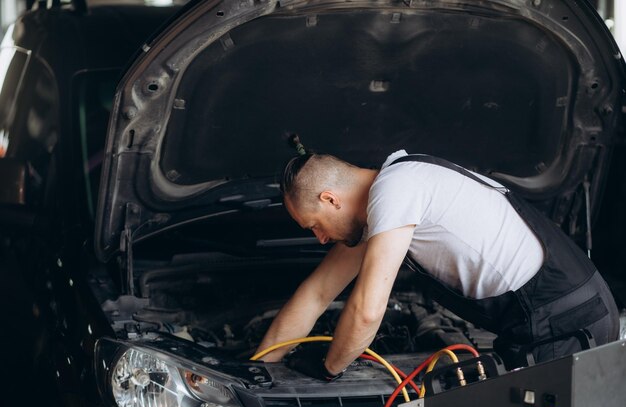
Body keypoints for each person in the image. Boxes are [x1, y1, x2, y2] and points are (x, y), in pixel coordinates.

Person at [254, 149, 619, 380]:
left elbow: (367, 311)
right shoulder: (386, 204)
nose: (319, 238)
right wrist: (260, 366)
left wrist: (329, 367)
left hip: (565, 320)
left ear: (330, 199)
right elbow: (317, 294)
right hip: (534, 321)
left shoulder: (396, 189)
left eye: (314, 226)